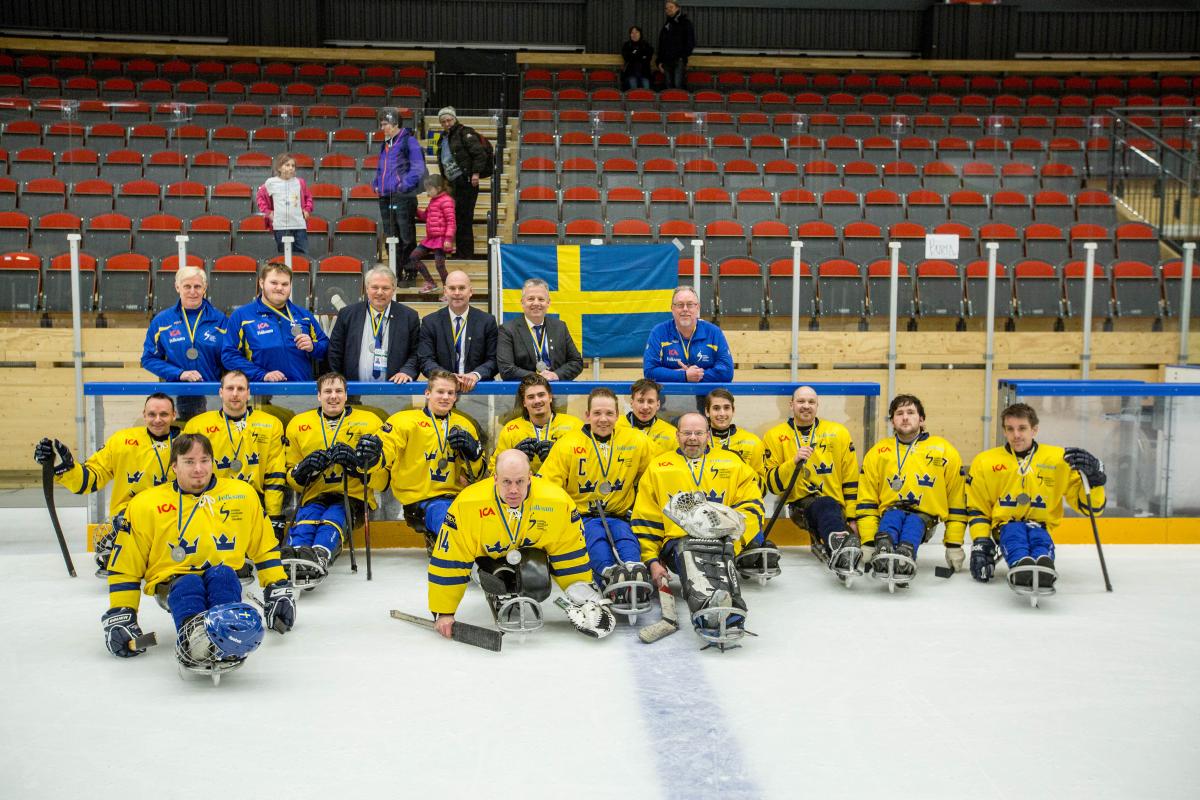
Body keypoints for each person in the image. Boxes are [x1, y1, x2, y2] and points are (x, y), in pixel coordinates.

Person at [102, 433, 294, 676]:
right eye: (189, 461)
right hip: (173, 582)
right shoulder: (145, 504)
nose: (199, 469)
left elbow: (264, 546)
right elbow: (126, 563)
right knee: (189, 583)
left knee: (223, 575)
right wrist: (122, 614)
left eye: (205, 460)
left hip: (222, 576)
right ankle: (195, 638)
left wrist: (277, 587)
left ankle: (228, 632)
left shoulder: (243, 495)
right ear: (174, 466)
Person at [428, 449, 615, 638]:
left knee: (537, 576)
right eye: (506, 482)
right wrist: (444, 612)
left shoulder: (558, 502)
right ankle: (485, 575)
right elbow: (450, 559)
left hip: (528, 558)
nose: (514, 490)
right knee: (490, 574)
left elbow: (569, 553)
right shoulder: (467, 504)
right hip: (485, 558)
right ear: (495, 478)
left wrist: (585, 599)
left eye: (520, 481)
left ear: (530, 478)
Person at [632, 412, 765, 649]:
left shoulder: (733, 463)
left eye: (698, 433)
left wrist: (735, 540)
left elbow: (753, 507)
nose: (692, 438)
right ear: (677, 435)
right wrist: (652, 560)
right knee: (689, 548)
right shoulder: (659, 467)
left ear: (708, 435)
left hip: (723, 541)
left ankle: (732, 608)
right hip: (677, 544)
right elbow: (645, 519)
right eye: (687, 433)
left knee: (720, 553)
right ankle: (707, 610)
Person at [966, 403, 1107, 592]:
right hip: (1005, 527)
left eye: (1022, 428)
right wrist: (981, 542)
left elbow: (1090, 508)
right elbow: (978, 508)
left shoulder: (1059, 459)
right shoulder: (985, 461)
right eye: (1010, 429)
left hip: (1041, 525)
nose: (1016, 435)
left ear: (1034, 430)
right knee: (1015, 536)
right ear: (1004, 431)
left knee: (1041, 541)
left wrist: (1095, 482)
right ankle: (1020, 565)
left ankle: (1044, 566)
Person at [539, 388, 653, 618]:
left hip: (619, 513)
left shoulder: (637, 440)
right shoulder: (567, 444)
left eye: (609, 413)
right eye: (598, 413)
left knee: (625, 537)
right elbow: (547, 487)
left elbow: (654, 476)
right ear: (587, 415)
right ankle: (609, 573)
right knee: (595, 537)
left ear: (618, 415)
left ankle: (633, 569)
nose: (603, 419)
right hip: (584, 516)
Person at [35, 393, 179, 575]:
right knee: (108, 536)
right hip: (130, 517)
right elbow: (91, 477)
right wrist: (63, 467)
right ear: (144, 415)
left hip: (173, 517)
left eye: (164, 415)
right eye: (152, 414)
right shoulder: (122, 441)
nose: (157, 420)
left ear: (174, 415)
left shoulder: (187, 444)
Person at [282, 372, 388, 581]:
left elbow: (383, 479)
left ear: (346, 395)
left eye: (339, 391)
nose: (333, 396)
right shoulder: (298, 424)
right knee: (308, 516)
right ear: (318, 396)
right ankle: (295, 553)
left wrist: (357, 466)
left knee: (335, 516)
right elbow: (292, 477)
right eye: (328, 391)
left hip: (354, 497)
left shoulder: (369, 421)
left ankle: (320, 555)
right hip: (315, 494)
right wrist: (303, 470)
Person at [856, 395, 966, 587]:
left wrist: (954, 545)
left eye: (911, 413)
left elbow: (957, 501)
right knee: (890, 522)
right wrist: (867, 541)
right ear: (892, 421)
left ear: (921, 419)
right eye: (899, 414)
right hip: (890, 512)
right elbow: (867, 500)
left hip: (925, 518)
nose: (905, 417)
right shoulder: (878, 452)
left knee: (913, 525)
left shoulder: (944, 450)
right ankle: (884, 549)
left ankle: (905, 555)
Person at [762, 386, 860, 583]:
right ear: (791, 405)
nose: (806, 406)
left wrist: (852, 517)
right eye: (800, 401)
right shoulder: (774, 436)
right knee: (825, 505)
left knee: (830, 507)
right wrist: (793, 462)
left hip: (836, 506)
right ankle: (840, 547)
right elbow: (772, 485)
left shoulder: (838, 433)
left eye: (811, 402)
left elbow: (851, 479)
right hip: (800, 507)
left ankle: (839, 544)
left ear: (817, 405)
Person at [383, 369, 487, 552]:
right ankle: (464, 557)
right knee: (446, 517)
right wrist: (370, 454)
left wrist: (474, 455)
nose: (445, 397)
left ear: (456, 397)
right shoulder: (404, 421)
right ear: (427, 393)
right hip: (421, 500)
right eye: (440, 392)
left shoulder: (465, 424)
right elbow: (384, 452)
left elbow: (475, 477)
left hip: (457, 498)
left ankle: (447, 545)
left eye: (451, 393)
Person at [182, 370, 287, 543]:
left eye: (240, 388)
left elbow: (275, 474)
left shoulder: (271, 424)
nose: (235, 394)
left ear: (248, 393)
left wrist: (274, 515)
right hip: (212, 500)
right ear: (221, 392)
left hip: (253, 501)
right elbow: (186, 473)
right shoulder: (198, 425)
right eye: (230, 388)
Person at [140, 264, 227, 421]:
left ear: (205, 287)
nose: (192, 291)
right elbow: (148, 359)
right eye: (187, 286)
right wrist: (179, 374)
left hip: (212, 396)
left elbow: (229, 357)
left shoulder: (220, 320)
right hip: (174, 395)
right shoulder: (162, 321)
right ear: (177, 287)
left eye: (197, 286)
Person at [223, 260, 328, 383]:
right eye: (274, 283)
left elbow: (325, 346)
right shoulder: (242, 316)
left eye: (285, 284)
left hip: (301, 392)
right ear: (261, 283)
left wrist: (313, 347)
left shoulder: (304, 316)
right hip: (261, 391)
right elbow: (229, 356)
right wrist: (262, 375)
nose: (279, 288)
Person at [328, 265, 421, 383]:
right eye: (375, 287)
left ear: (394, 289)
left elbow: (417, 352)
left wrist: (406, 371)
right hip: (353, 390)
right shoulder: (347, 314)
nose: (380, 292)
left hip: (395, 392)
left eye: (385, 288)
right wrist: (337, 380)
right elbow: (335, 351)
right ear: (366, 289)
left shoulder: (409, 317)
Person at [417, 269, 498, 391]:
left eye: (461, 288)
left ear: (470, 291)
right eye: (452, 288)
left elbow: (494, 359)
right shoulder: (430, 322)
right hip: (442, 391)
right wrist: (447, 377)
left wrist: (475, 375)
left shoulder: (487, 321)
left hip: (478, 392)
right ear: (445, 291)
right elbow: (425, 360)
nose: (457, 292)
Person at [496, 277, 584, 382]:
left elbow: (576, 362)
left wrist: (555, 375)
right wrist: (539, 378)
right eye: (531, 299)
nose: (536, 303)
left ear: (548, 303)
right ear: (522, 302)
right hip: (523, 392)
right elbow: (506, 369)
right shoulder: (507, 330)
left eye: (541, 299)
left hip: (556, 392)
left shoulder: (560, 327)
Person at [491, 374, 582, 474]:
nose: (537, 401)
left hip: (560, 488)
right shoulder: (510, 430)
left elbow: (588, 465)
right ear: (524, 402)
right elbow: (493, 471)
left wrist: (559, 455)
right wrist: (513, 458)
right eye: (531, 397)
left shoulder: (574, 425)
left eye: (541, 395)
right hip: (523, 488)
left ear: (550, 397)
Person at [643, 286, 733, 383]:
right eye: (680, 305)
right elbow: (649, 372)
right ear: (672, 308)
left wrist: (696, 375)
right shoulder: (659, 332)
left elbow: (727, 372)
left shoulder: (714, 332)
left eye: (690, 304)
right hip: (670, 394)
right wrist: (684, 375)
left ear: (697, 307)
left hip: (706, 395)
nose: (685, 309)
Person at [435, 106, 492, 260]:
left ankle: (465, 254)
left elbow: (479, 154)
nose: (447, 123)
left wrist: (475, 173)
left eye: (449, 120)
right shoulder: (442, 138)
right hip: (453, 183)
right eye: (444, 121)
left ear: (455, 119)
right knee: (456, 218)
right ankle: (461, 252)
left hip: (466, 181)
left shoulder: (464, 132)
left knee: (464, 218)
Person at [372, 107, 425, 269]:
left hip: (403, 196)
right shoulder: (386, 144)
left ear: (394, 124)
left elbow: (418, 168)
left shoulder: (409, 141)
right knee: (391, 235)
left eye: (385, 124)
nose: (382, 128)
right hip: (386, 195)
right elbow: (382, 168)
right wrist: (376, 183)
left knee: (406, 235)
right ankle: (396, 270)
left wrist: (403, 185)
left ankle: (409, 270)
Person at [256, 152, 312, 255]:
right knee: (284, 256)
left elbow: (308, 197)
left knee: (302, 255)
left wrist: (307, 209)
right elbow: (260, 197)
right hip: (280, 226)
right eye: (287, 165)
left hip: (299, 225)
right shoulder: (271, 182)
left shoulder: (300, 182)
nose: (291, 168)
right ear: (279, 167)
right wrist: (268, 212)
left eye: (293, 166)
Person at [704, 388, 766, 481]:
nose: (722, 413)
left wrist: (741, 466)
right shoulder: (697, 441)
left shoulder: (753, 442)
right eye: (716, 408)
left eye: (726, 408)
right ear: (707, 412)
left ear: (733, 410)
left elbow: (763, 489)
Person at [409, 174, 455, 294]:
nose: (428, 192)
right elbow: (425, 216)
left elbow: (451, 222)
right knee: (414, 257)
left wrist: (448, 239)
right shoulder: (432, 201)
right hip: (430, 239)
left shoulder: (447, 201)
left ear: (438, 188)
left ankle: (448, 290)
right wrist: (415, 210)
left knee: (440, 266)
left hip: (441, 240)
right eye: (427, 189)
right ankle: (430, 282)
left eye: (430, 189)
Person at [615, 378, 677, 455]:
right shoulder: (615, 425)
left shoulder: (671, 433)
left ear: (658, 405)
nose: (645, 407)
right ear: (631, 402)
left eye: (650, 401)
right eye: (640, 401)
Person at [656, 1, 695, 91]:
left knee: (678, 85)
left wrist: (682, 56)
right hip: (666, 61)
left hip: (678, 60)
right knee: (668, 85)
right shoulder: (666, 25)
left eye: (671, 7)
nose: (668, 9)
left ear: (677, 8)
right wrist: (659, 61)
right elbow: (661, 44)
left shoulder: (685, 23)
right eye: (666, 8)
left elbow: (690, 42)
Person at [621, 26, 654, 90]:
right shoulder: (627, 45)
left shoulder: (646, 45)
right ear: (630, 35)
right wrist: (641, 55)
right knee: (633, 85)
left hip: (644, 74)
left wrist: (634, 54)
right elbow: (627, 58)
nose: (634, 34)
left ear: (640, 34)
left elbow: (648, 57)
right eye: (632, 33)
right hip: (630, 74)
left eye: (636, 32)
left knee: (646, 87)